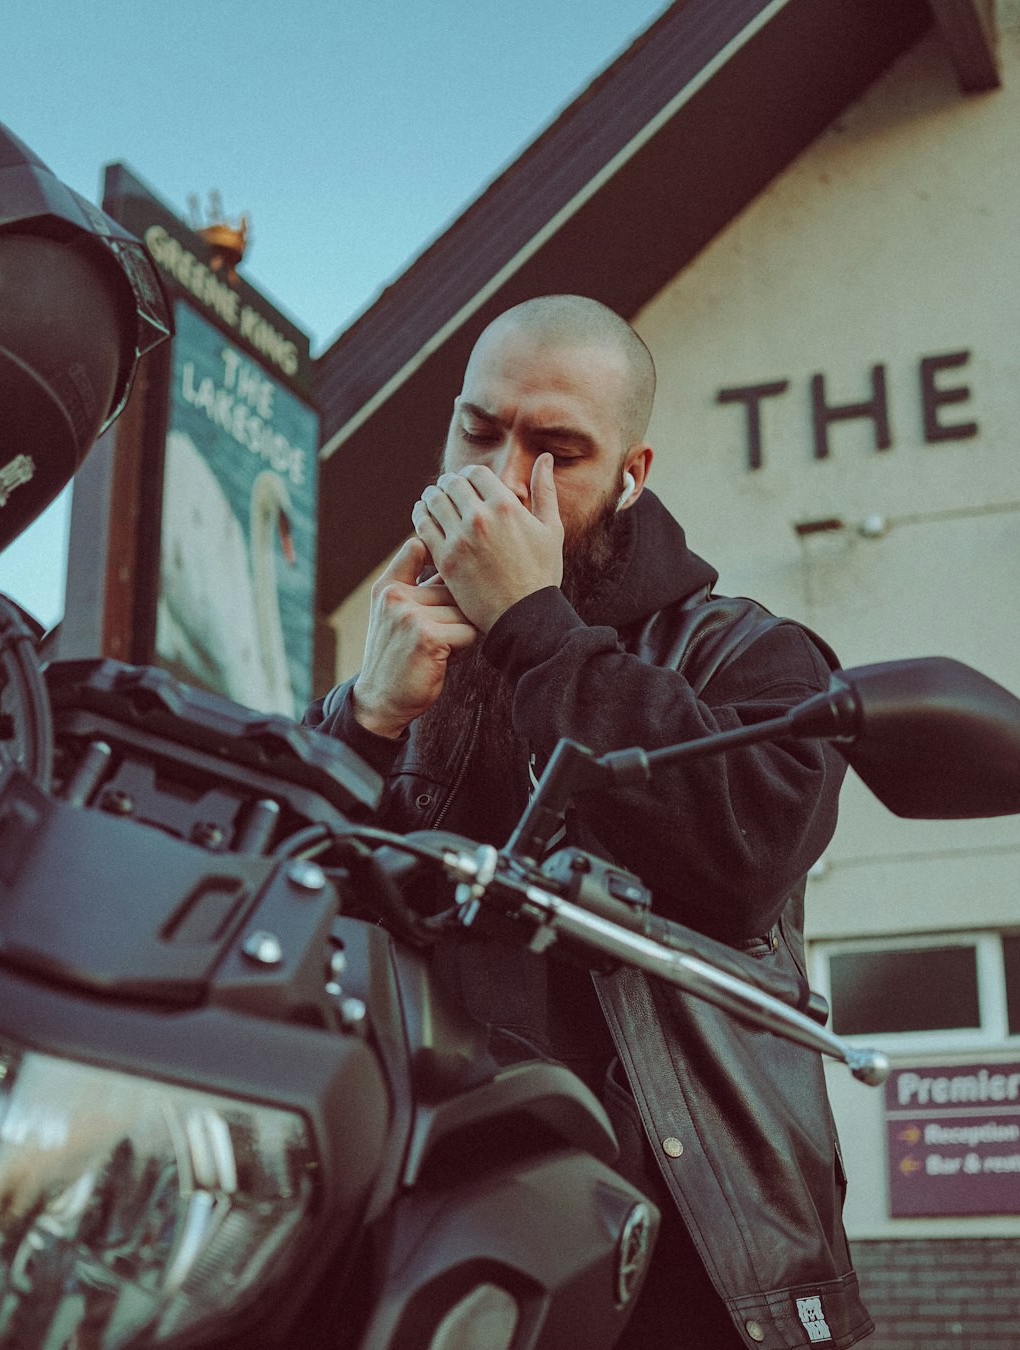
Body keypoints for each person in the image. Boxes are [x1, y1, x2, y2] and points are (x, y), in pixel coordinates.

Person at [304, 295, 873, 1349]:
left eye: (557, 447)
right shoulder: (402, 650)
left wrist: (534, 628)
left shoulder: (747, 655)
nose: (503, 477)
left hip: (679, 1263)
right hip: (419, 1236)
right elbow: (279, 903)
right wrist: (364, 719)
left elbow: (743, 864)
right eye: (479, 430)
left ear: (633, 471)